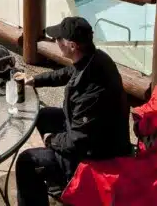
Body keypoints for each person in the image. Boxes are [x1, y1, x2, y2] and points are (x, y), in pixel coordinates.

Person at [13, 17, 133, 206]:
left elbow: (78, 142)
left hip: (96, 155)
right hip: (92, 133)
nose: (55, 41)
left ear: (72, 45)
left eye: (58, 39)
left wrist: (51, 140)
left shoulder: (91, 94)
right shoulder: (95, 58)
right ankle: (57, 180)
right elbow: (68, 72)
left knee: (26, 161)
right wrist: (36, 80)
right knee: (42, 115)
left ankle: (67, 178)